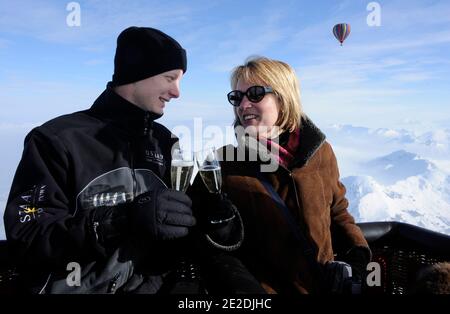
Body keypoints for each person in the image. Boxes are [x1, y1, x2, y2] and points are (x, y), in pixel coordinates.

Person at [3, 26, 247, 294]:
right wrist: (118, 220)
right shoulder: (56, 140)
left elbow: (176, 228)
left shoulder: (165, 142)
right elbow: (28, 236)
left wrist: (214, 224)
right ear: (137, 75)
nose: (177, 92)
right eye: (170, 78)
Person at [190, 56, 371, 294]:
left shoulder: (320, 153)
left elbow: (338, 212)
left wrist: (356, 258)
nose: (243, 105)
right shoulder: (222, 164)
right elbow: (198, 236)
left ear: (284, 98)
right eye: (237, 97)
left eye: (255, 94)